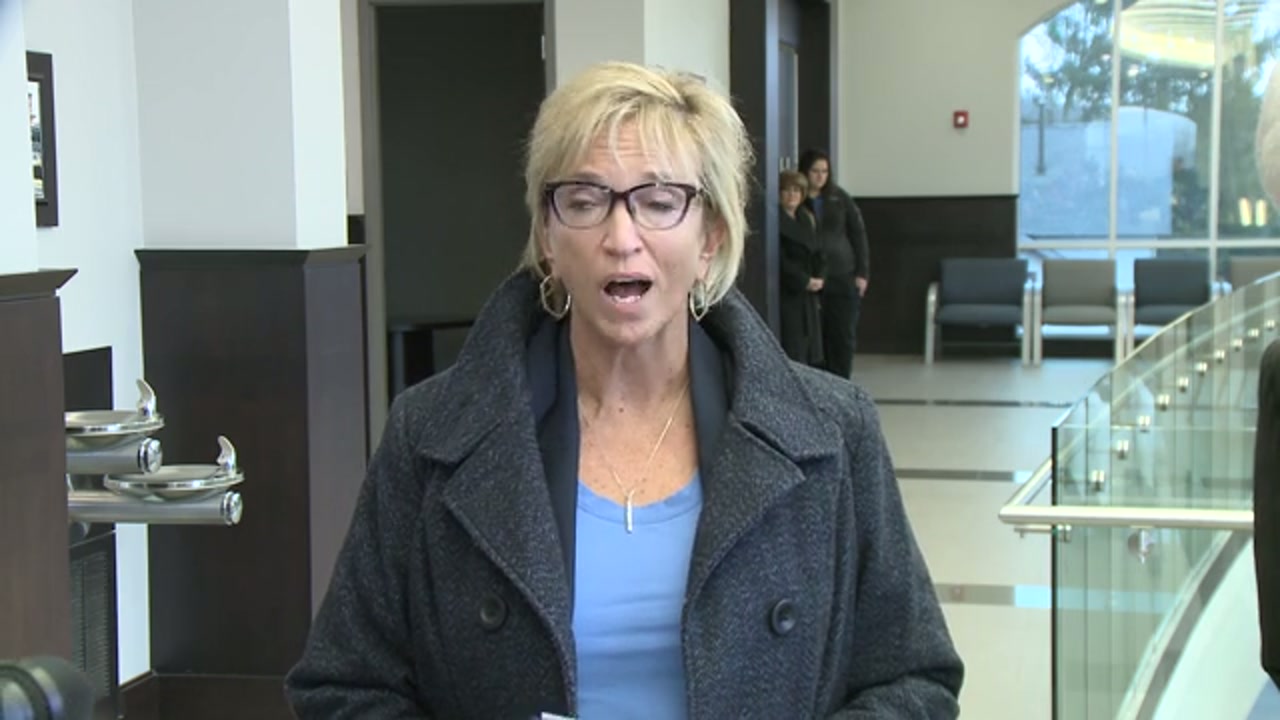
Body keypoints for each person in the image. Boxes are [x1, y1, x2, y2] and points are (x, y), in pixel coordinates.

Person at [284, 61, 962, 719]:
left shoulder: (833, 430)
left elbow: (914, 679)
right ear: (547, 236)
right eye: (584, 202)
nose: (620, 237)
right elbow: (343, 684)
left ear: (711, 237)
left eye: (659, 202)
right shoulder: (430, 434)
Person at [799, 148, 870, 378]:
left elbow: (857, 233)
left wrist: (862, 272)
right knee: (816, 338)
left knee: (842, 334)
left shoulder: (839, 198)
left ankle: (842, 382)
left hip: (842, 272)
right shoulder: (798, 199)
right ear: (805, 171)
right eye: (815, 171)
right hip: (812, 275)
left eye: (824, 171)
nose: (820, 176)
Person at [778, 169, 825, 366]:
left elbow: (818, 251)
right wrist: (804, 280)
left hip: (809, 293)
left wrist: (820, 277)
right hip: (790, 291)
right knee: (793, 347)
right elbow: (780, 260)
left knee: (809, 346)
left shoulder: (806, 218)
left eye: (797, 191)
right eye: (787, 190)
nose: (792, 195)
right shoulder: (775, 221)